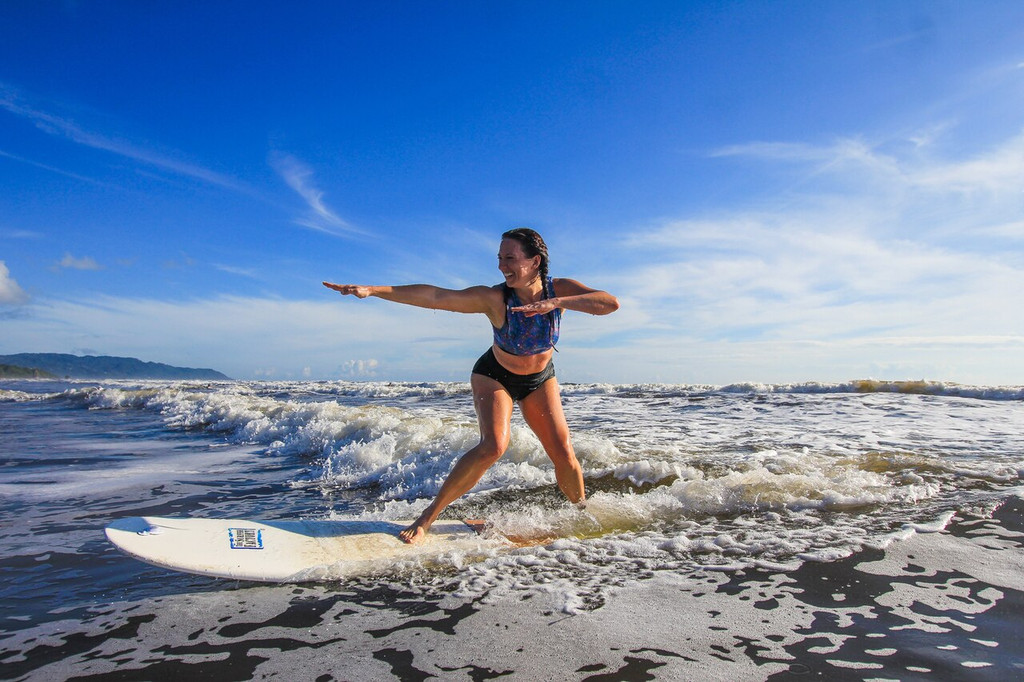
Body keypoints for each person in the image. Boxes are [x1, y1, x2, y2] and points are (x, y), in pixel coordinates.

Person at [323, 227, 619, 543]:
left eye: (510, 258)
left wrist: (557, 302)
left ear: (534, 261)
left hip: (540, 378)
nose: (502, 266)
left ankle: (580, 514)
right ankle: (427, 518)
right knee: (493, 446)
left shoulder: (557, 289)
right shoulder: (493, 298)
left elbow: (608, 303)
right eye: (500, 258)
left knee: (563, 452)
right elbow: (437, 296)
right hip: (495, 375)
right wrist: (373, 290)